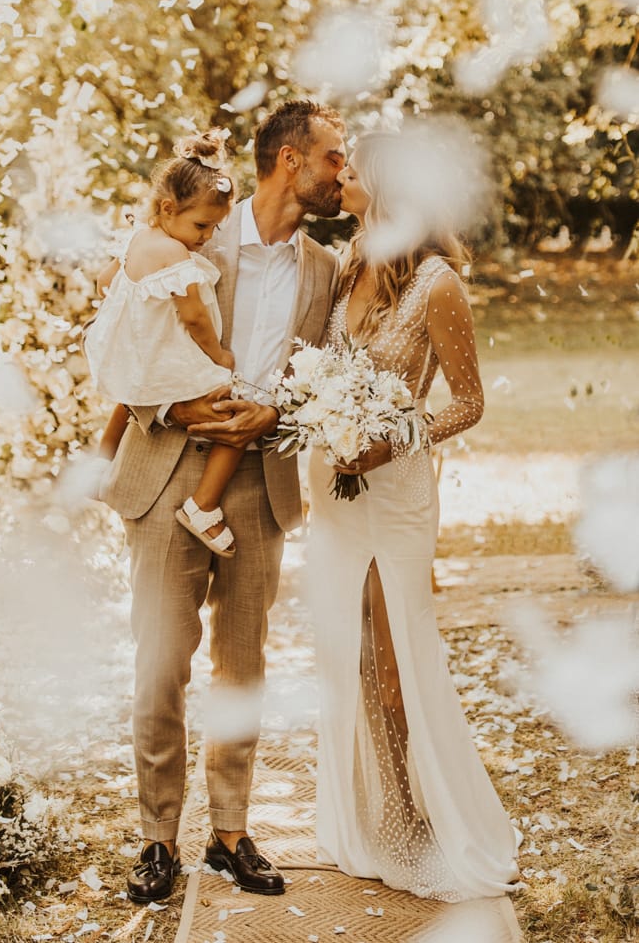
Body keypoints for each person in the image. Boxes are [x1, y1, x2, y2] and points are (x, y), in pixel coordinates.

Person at [99, 100, 346, 903]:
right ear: (289, 161)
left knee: (242, 665)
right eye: (331, 158)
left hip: (260, 478)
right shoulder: (189, 237)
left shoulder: (324, 271)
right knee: (159, 665)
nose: (340, 174)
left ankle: (230, 833)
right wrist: (171, 410)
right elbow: (125, 344)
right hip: (171, 468)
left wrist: (280, 412)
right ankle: (157, 839)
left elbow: (328, 381)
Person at [306, 130, 520, 901]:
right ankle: (371, 813)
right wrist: (327, 424)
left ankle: (421, 820)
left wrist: (390, 439)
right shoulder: (351, 265)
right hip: (332, 492)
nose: (341, 179)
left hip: (394, 495)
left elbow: (467, 403)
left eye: (352, 171)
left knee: (396, 651)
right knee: (349, 651)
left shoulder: (437, 285)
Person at [86, 131, 242, 557]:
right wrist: (219, 357)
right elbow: (194, 317)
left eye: (214, 227)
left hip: (140, 351)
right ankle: (203, 506)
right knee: (232, 414)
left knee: (132, 392)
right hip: (171, 353)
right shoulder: (173, 255)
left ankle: (101, 460)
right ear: (168, 208)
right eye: (201, 225)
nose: (207, 236)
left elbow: (104, 282)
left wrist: (134, 314)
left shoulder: (138, 239)